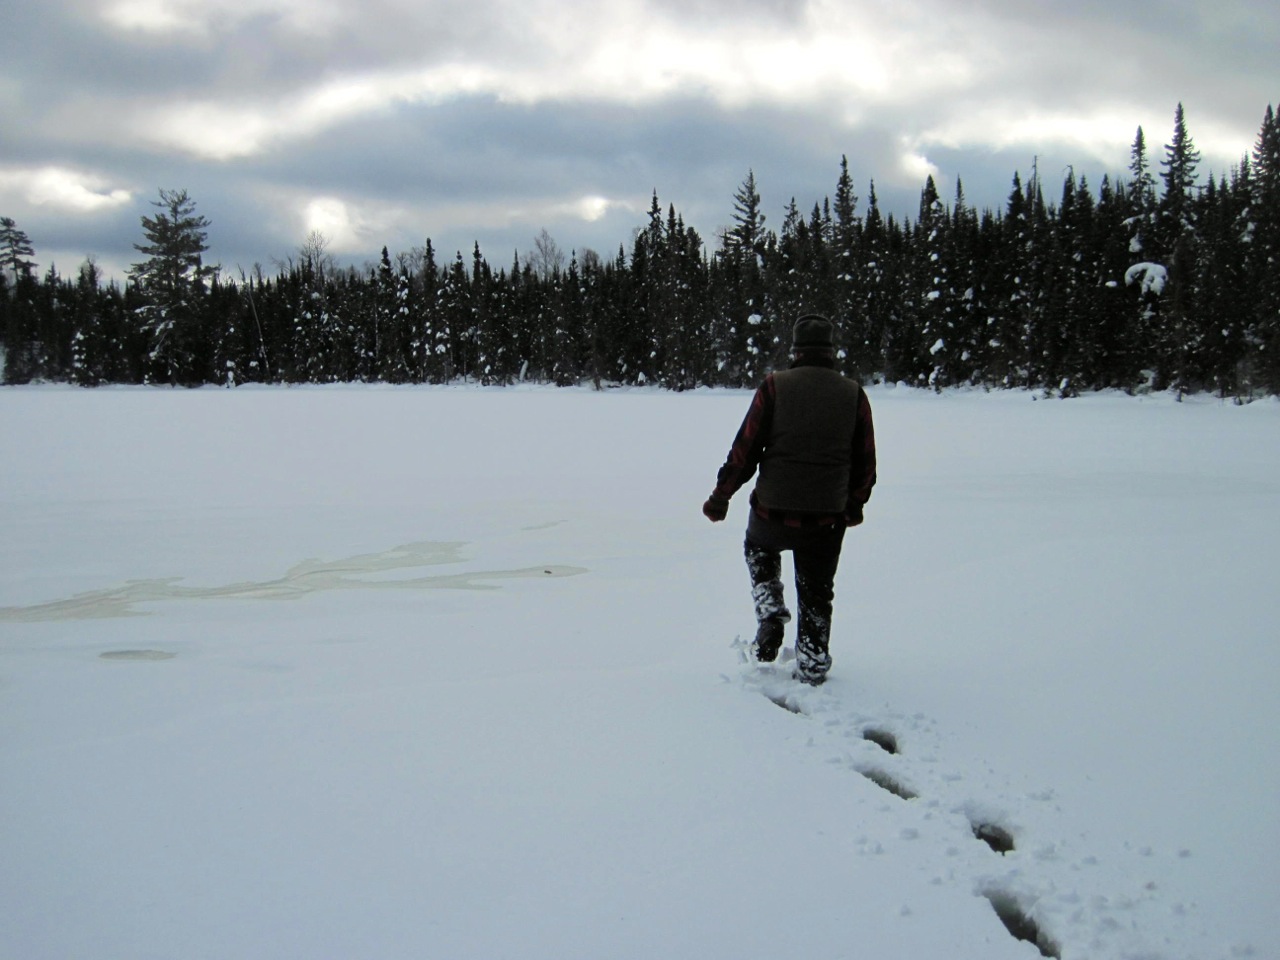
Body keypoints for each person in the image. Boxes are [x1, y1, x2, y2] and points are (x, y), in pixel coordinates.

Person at [702, 315, 876, 685]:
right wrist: (854, 505)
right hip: (827, 518)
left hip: (772, 512)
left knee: (758, 550)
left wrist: (721, 495)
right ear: (831, 352)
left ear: (795, 351)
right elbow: (866, 462)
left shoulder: (774, 387)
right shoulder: (853, 394)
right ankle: (812, 664)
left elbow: (745, 450)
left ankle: (770, 612)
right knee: (816, 593)